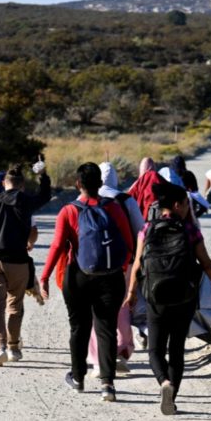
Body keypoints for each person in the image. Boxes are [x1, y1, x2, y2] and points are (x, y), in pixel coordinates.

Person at [124, 182, 211, 415]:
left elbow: (137, 264)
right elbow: (207, 264)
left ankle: (164, 382)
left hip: (156, 298)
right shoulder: (190, 230)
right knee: (176, 349)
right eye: (185, 204)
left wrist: (132, 293)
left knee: (155, 349)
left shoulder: (147, 229)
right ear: (176, 205)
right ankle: (171, 398)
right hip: (184, 298)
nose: (187, 208)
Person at [40, 162, 134, 402]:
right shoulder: (114, 208)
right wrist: (122, 269)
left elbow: (58, 246)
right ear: (101, 184)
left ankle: (79, 378)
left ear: (78, 184)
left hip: (79, 277)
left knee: (79, 328)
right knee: (106, 329)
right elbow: (128, 244)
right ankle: (107, 385)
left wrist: (45, 276)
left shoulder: (69, 211)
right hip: (111, 278)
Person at [0, 162, 51, 366]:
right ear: (22, 185)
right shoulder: (25, 202)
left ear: (3, 183)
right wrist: (43, 175)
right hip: (18, 262)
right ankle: (14, 348)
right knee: (15, 306)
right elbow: (45, 196)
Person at [84, 161, 145, 376]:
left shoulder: (85, 199)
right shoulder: (126, 200)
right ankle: (121, 350)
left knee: (95, 310)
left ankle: (97, 357)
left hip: (93, 263)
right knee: (122, 307)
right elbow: (140, 230)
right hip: (123, 262)